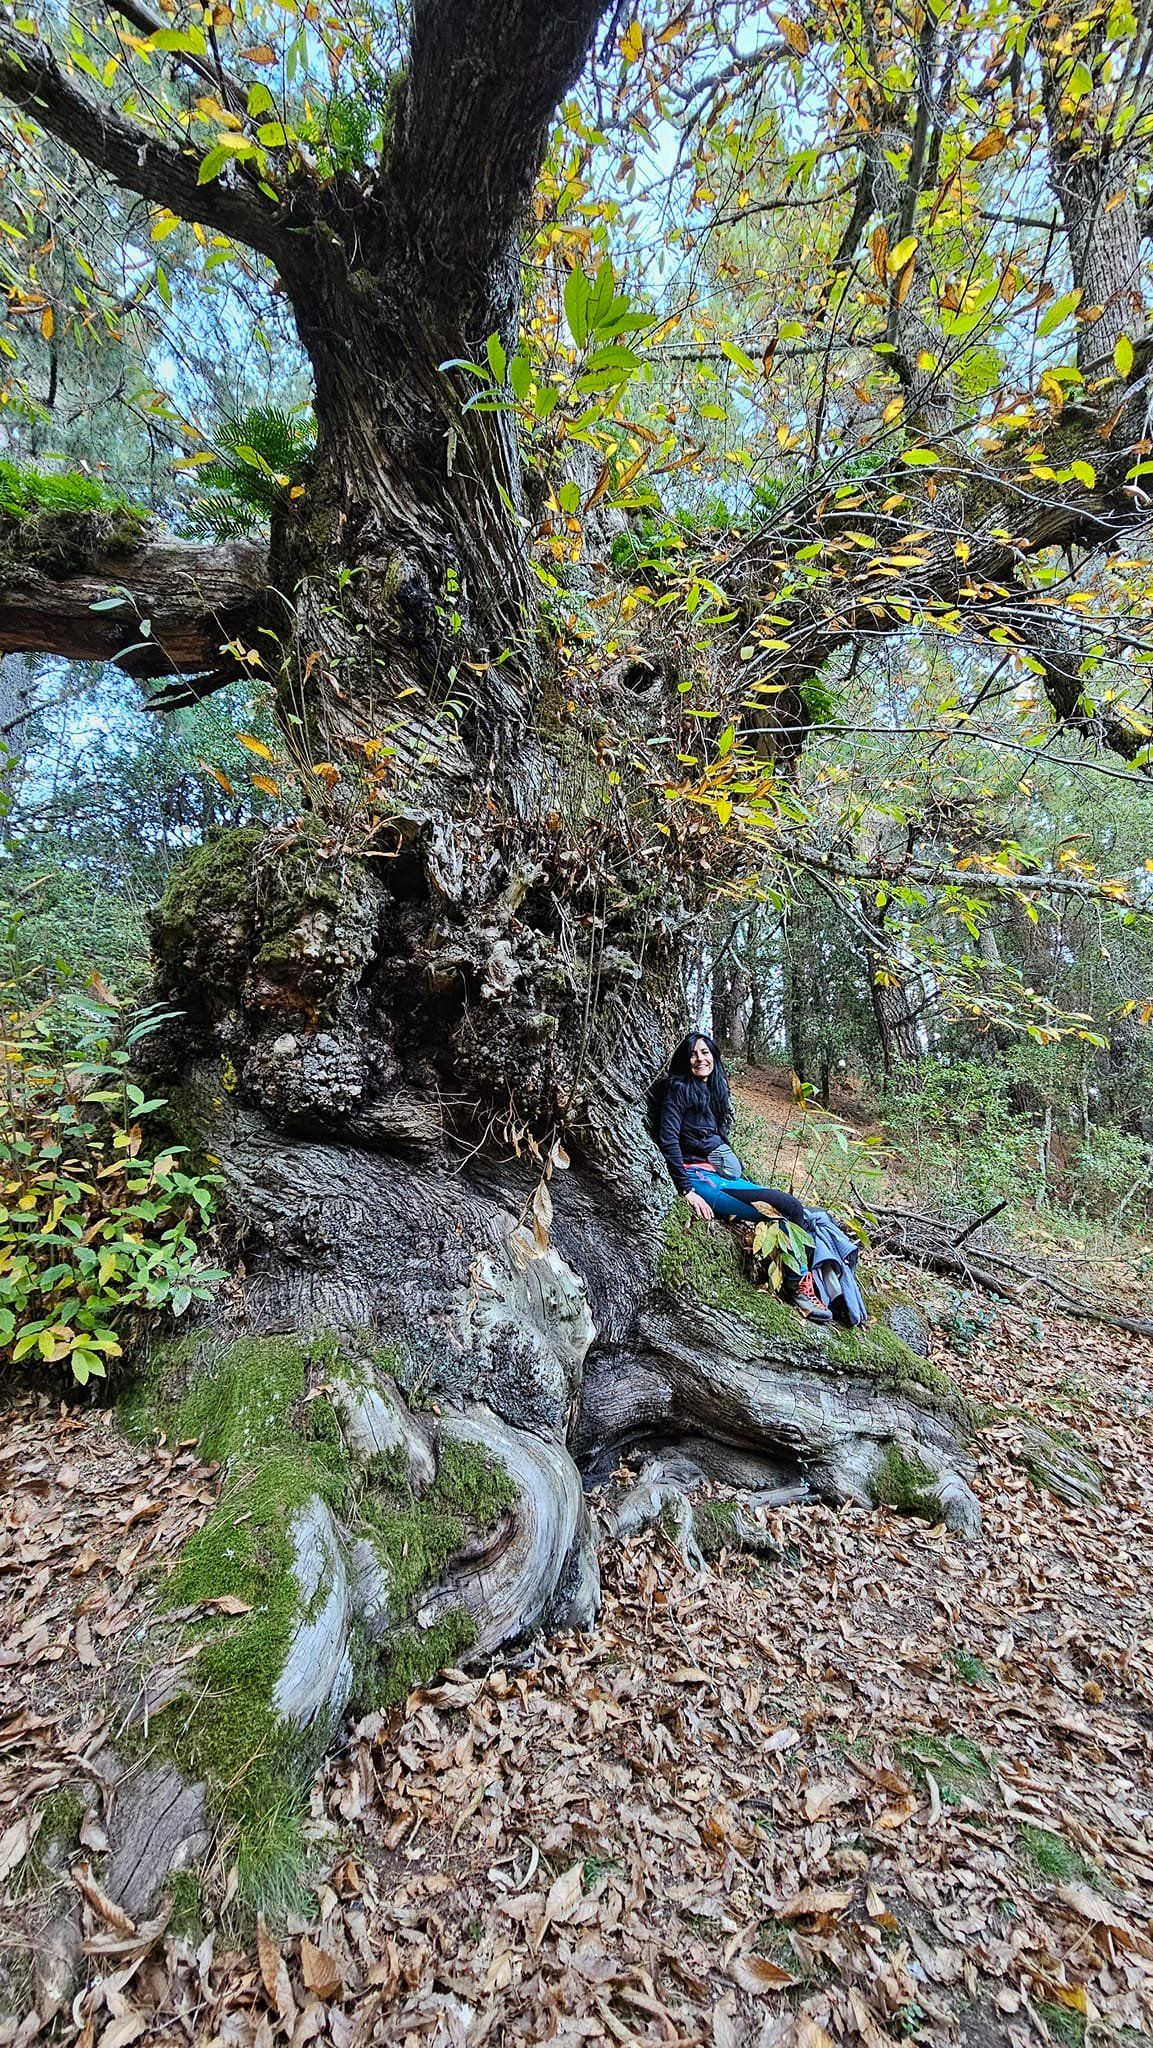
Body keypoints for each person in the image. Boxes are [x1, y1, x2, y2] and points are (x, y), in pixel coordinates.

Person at [656, 1031, 834, 1322]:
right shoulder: (677, 1088)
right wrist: (687, 1190)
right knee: (787, 1206)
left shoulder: (712, 1091)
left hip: (721, 1177)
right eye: (693, 1054)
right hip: (701, 1180)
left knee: (791, 1215)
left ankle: (804, 1282)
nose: (700, 1059)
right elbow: (669, 1140)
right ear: (684, 1059)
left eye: (705, 1052)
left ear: (713, 1055)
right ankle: (800, 1286)